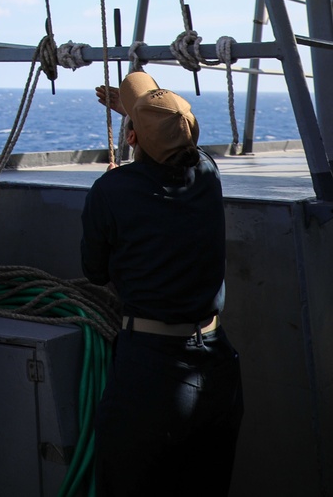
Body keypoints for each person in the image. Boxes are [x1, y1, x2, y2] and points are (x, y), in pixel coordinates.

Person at [81, 71, 243, 497]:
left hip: (152, 376)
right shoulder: (208, 172)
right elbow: (178, 145)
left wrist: (117, 182)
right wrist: (139, 118)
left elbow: (95, 271)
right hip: (217, 367)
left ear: (131, 137)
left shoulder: (111, 190)